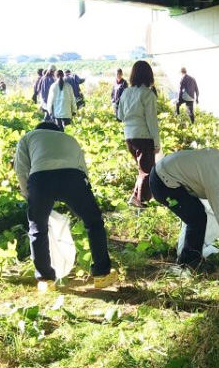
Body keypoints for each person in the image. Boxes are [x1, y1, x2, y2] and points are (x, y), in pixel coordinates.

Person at [13, 121, 115, 292]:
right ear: (57, 131)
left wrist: (29, 194)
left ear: (38, 130)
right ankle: (102, 275)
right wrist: (84, 193)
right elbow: (83, 168)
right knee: (94, 223)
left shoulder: (28, 137)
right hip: (72, 178)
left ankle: (46, 280)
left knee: (38, 228)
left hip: (40, 179)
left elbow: (21, 169)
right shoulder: (69, 138)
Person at [149, 149, 219, 270]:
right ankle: (189, 261)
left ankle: (187, 252)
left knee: (196, 212)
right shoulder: (217, 181)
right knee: (196, 218)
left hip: (164, 171)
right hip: (162, 183)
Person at [117, 60, 162, 208]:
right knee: (147, 171)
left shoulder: (126, 92)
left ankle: (135, 197)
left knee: (143, 170)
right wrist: (156, 143)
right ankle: (140, 200)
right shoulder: (147, 94)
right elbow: (151, 120)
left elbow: (120, 115)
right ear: (149, 75)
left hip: (129, 136)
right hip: (144, 136)